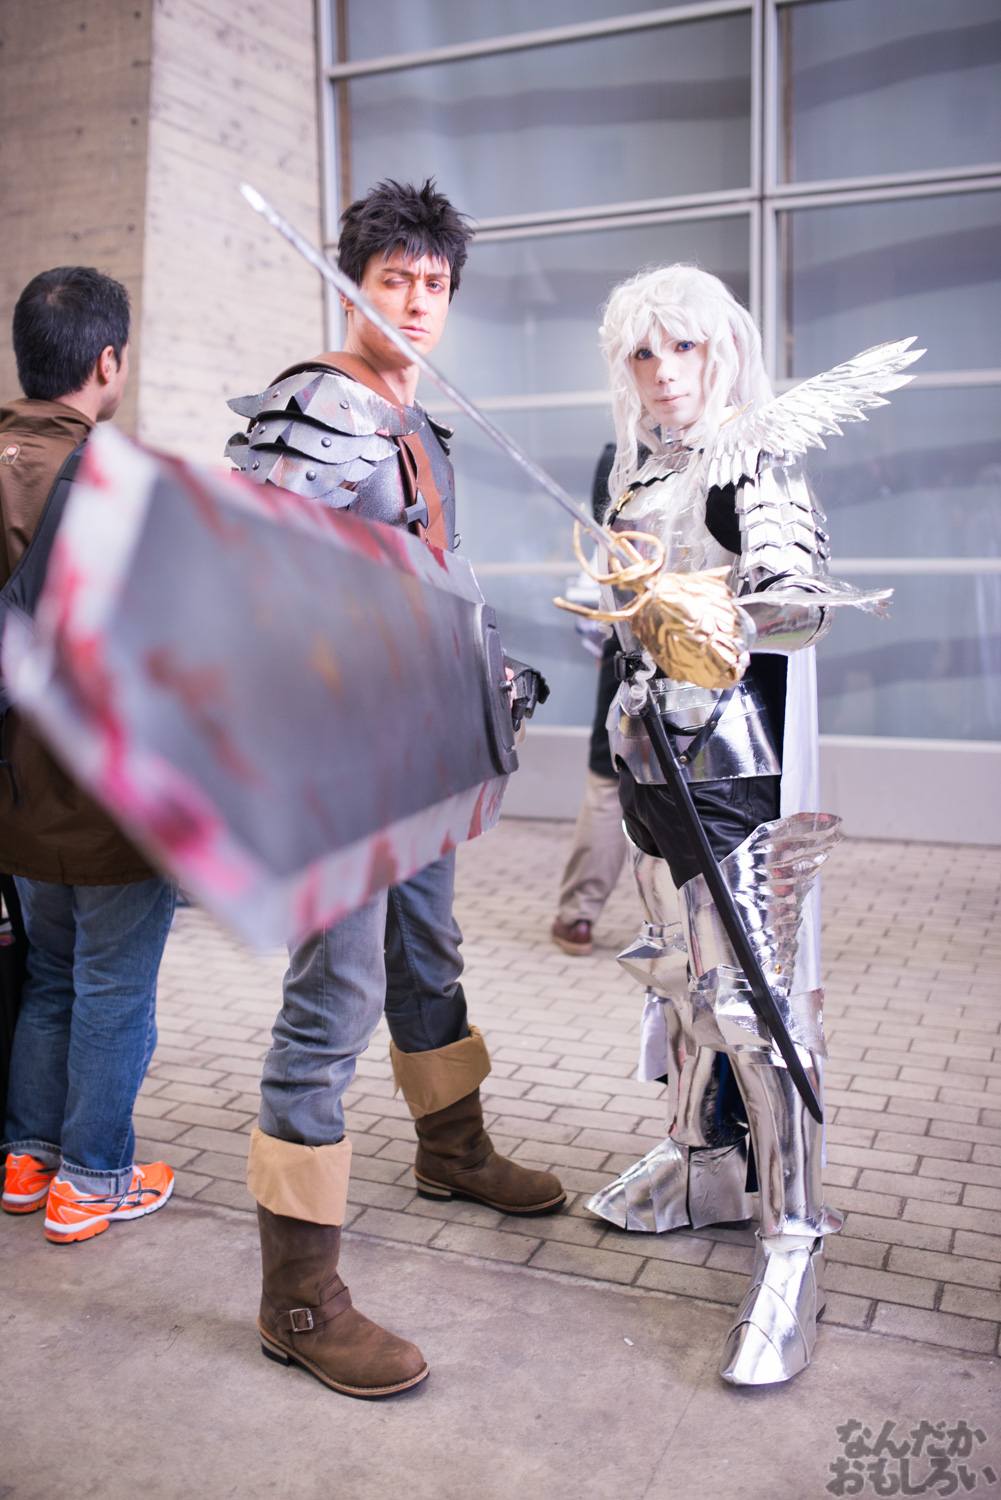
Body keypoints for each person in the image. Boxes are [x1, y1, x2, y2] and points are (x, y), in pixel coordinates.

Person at [226, 179, 565, 1400]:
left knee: (428, 956)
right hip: (341, 764)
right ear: (350, 284)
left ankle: (450, 1149)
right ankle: (297, 1298)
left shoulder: (414, 417)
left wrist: (483, 669)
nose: (415, 303)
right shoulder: (318, 405)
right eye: (392, 281)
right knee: (334, 997)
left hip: (422, 747)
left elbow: (426, 575)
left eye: (433, 285)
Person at [575, 264, 914, 1386]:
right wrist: (623, 619)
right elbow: (622, 615)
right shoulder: (634, 472)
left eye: (682, 348)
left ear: (720, 350)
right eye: (642, 352)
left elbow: (799, 604)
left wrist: (711, 606)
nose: (663, 372)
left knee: (750, 1007)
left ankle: (791, 1238)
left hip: (733, 773)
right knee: (676, 982)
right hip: (647, 761)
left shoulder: (751, 461)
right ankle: (699, 1160)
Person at [0, 267, 176, 1242]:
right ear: (109, 360)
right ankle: (94, 1178)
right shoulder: (120, 480)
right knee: (113, 986)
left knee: (51, 977)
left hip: (17, 795)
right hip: (108, 797)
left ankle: (28, 1160)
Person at [551, 446, 628, 957]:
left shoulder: (620, 454)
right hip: (682, 639)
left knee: (609, 784)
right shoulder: (622, 455)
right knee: (611, 780)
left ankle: (579, 915)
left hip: (638, 639)